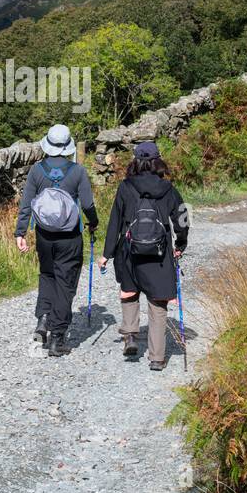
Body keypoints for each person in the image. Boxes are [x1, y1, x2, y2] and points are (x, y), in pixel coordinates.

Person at [98, 141, 188, 371]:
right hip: (159, 253)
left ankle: (129, 335)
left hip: (129, 251)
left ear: (135, 161)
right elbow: (182, 219)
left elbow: (115, 222)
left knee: (129, 290)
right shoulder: (168, 189)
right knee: (158, 301)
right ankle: (157, 357)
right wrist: (180, 244)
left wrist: (107, 254)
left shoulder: (125, 187)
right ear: (158, 160)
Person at [15, 124, 99, 357]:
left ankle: (43, 321)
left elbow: (26, 205)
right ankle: (57, 338)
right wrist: (94, 222)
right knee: (65, 283)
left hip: (44, 234)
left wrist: (20, 233)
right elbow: (88, 205)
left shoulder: (36, 171)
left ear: (48, 145)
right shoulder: (78, 172)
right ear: (68, 146)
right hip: (70, 237)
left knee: (48, 275)